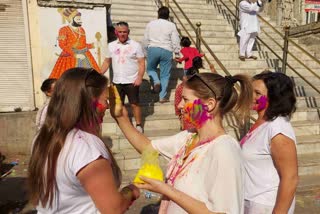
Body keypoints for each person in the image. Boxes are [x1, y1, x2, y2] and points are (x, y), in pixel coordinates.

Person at [112, 71, 254, 213]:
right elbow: (148, 147)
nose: (179, 105)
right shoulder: (189, 137)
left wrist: (165, 189)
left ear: (209, 104)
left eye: (185, 99)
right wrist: (121, 117)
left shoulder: (224, 149)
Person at [28, 68, 140, 213]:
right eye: (105, 100)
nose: (107, 105)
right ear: (90, 102)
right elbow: (113, 209)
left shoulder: (43, 137)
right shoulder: (87, 148)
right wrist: (131, 191)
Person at [240, 71, 298, 214]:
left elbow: (290, 178)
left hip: (266, 205)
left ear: (274, 98)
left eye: (258, 93)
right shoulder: (262, 123)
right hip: (251, 201)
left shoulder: (277, 128)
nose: (251, 96)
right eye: (251, 91)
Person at [101, 21, 145, 133]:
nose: (122, 34)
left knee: (134, 103)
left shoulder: (136, 45)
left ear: (128, 32)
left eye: (125, 32)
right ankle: (125, 124)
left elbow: (141, 63)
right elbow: (107, 62)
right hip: (117, 80)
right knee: (118, 104)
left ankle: (139, 124)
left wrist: (140, 77)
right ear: (116, 32)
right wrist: (99, 73)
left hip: (132, 80)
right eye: (120, 32)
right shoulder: (111, 46)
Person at [143, 6, 181, 103]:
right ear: (168, 15)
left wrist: (144, 52)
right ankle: (162, 97)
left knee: (150, 69)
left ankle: (156, 81)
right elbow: (175, 40)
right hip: (167, 50)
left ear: (158, 14)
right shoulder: (171, 25)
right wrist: (177, 53)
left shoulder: (151, 24)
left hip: (153, 48)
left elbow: (145, 40)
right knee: (165, 74)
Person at [49, 8, 100, 79]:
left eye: (80, 19)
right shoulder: (64, 30)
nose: (80, 21)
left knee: (90, 78)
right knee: (71, 79)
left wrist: (92, 45)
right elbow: (62, 45)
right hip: (70, 56)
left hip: (85, 55)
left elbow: (83, 44)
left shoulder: (81, 30)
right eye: (78, 19)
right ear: (71, 19)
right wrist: (75, 55)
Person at [174, 56, 216, 131]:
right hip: (204, 120)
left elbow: (177, 103)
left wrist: (180, 116)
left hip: (189, 120)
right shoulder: (205, 83)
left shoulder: (181, 87)